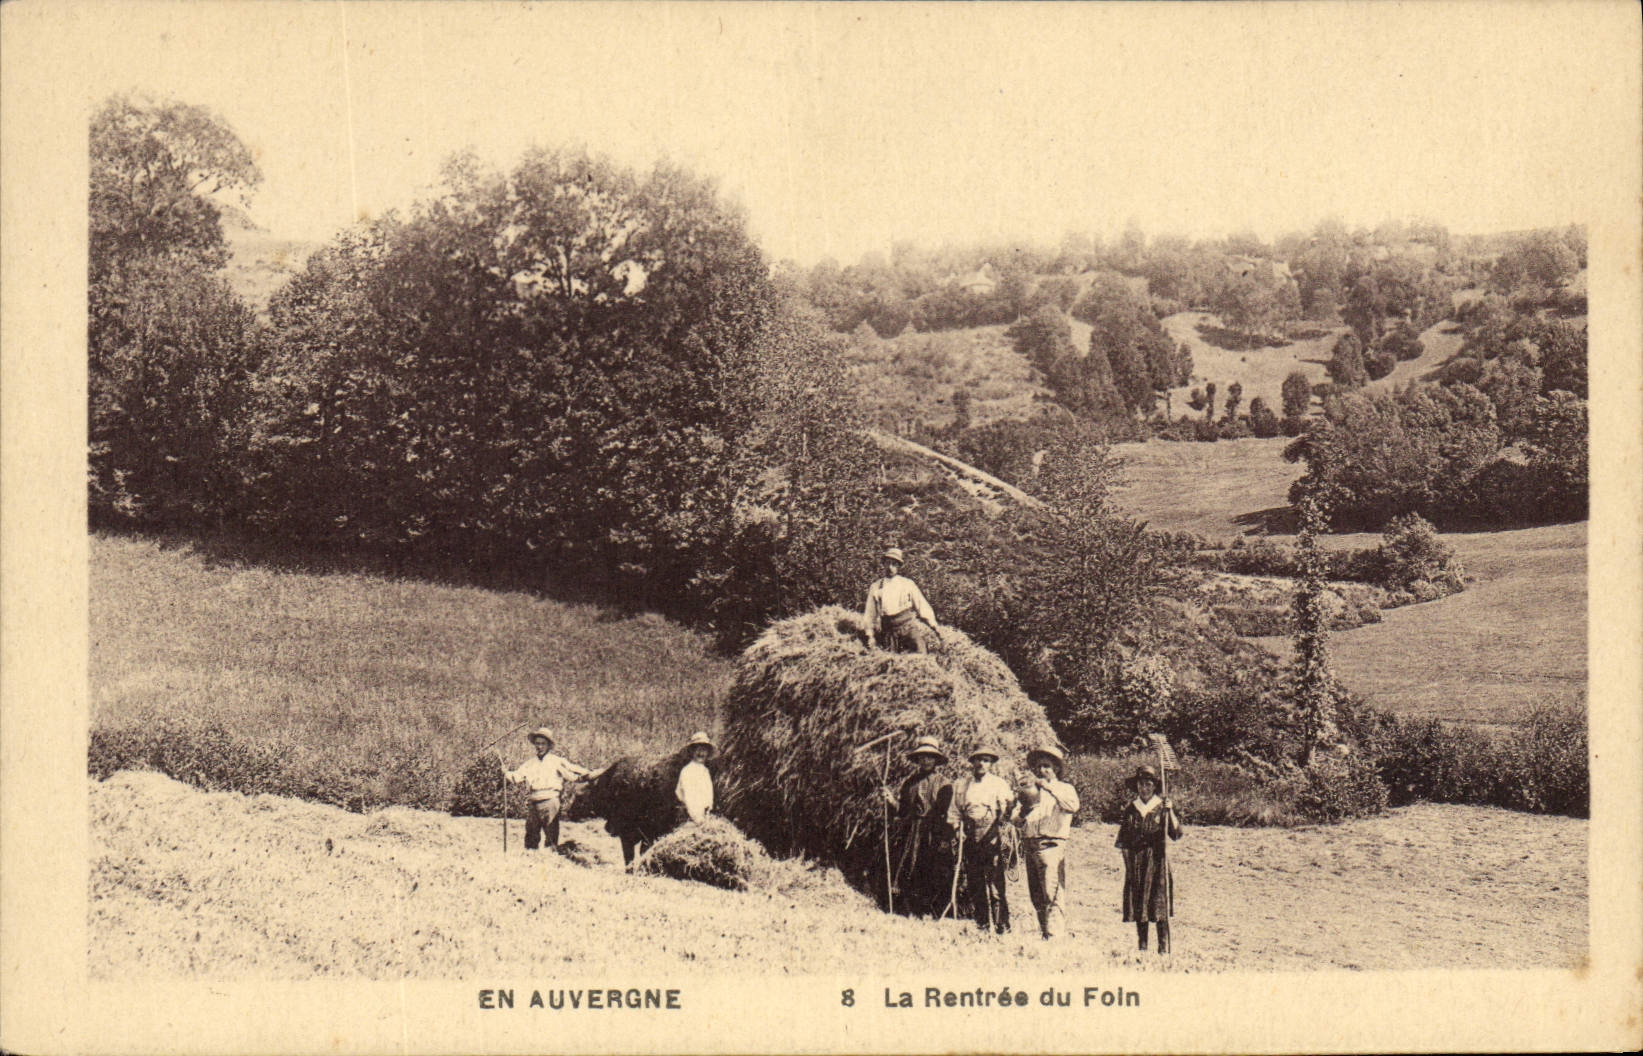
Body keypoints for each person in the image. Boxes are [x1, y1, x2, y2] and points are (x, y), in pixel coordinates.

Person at [878, 735, 955, 918]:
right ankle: (909, 908)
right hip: (911, 832)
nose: (926, 760)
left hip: (933, 832)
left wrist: (945, 838)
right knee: (909, 866)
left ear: (936, 760)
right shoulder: (909, 783)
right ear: (917, 759)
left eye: (930, 756)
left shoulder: (944, 784)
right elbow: (903, 812)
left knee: (931, 868)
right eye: (922, 756)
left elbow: (949, 813)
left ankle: (929, 909)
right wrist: (891, 801)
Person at [1011, 745, 1080, 939]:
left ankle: (1055, 935)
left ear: (1056, 768)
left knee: (1053, 892)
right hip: (1030, 843)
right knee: (1036, 894)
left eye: (1047, 766)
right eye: (1039, 767)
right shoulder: (1029, 790)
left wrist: (1048, 788)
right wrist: (1023, 811)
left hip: (1052, 844)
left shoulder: (1065, 789)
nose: (1042, 771)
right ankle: (1045, 932)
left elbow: (1073, 806)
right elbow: (1016, 820)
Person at [947, 746, 1015, 934]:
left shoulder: (998, 784)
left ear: (991, 763)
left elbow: (1009, 808)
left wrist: (1006, 811)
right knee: (975, 882)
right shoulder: (961, 785)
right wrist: (957, 829)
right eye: (977, 759)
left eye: (985, 760)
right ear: (972, 762)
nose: (981, 763)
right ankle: (983, 923)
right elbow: (954, 811)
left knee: (995, 883)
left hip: (991, 837)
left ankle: (1002, 925)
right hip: (970, 837)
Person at [1115, 764, 1182, 953]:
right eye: (1141, 784)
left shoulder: (1162, 808)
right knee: (1139, 904)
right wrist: (1128, 865)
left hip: (1157, 860)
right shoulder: (1131, 809)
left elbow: (1176, 834)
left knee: (1159, 901)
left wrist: (1171, 812)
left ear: (1154, 787)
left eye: (1148, 784)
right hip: (1137, 860)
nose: (1144, 788)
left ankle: (1163, 948)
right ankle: (1142, 947)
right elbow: (1123, 841)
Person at [506, 727, 592, 852]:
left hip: (550, 801)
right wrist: (506, 773)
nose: (539, 747)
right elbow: (517, 777)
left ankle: (550, 859)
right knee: (531, 834)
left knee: (551, 834)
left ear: (549, 746)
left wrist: (589, 774)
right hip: (534, 802)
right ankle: (530, 859)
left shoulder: (557, 761)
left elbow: (573, 773)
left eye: (543, 744)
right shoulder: (530, 763)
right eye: (537, 743)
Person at [863, 547, 939, 654]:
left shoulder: (907, 584)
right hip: (889, 632)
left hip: (908, 628)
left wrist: (934, 626)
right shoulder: (876, 587)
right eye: (888, 563)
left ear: (898, 566)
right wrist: (870, 636)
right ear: (883, 564)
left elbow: (921, 605)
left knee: (920, 654)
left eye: (894, 564)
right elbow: (870, 614)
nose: (890, 567)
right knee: (893, 663)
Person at [674, 731, 716, 825]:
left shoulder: (705, 771)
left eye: (704, 750)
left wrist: (708, 811)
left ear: (708, 752)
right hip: (690, 817)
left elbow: (708, 795)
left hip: (704, 817)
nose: (701, 753)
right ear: (692, 751)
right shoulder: (688, 771)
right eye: (697, 750)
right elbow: (689, 797)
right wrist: (697, 818)